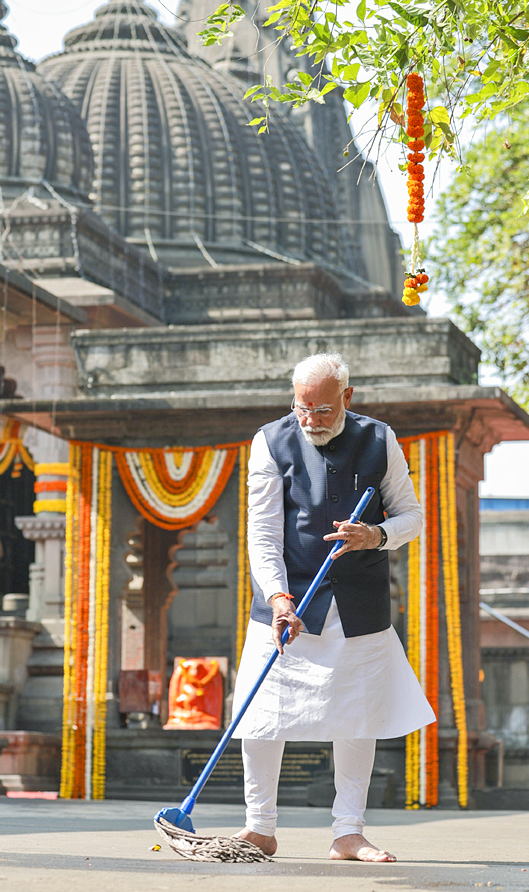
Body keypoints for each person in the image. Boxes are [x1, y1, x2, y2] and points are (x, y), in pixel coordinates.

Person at [232, 351, 436, 862]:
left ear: (347, 397)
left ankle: (348, 831)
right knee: (259, 714)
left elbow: (412, 516)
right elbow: (262, 534)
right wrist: (278, 597)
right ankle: (259, 827)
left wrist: (376, 534)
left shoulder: (378, 438)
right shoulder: (269, 441)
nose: (311, 421)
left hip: (357, 601)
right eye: (303, 408)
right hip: (287, 600)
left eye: (323, 410)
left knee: (356, 716)